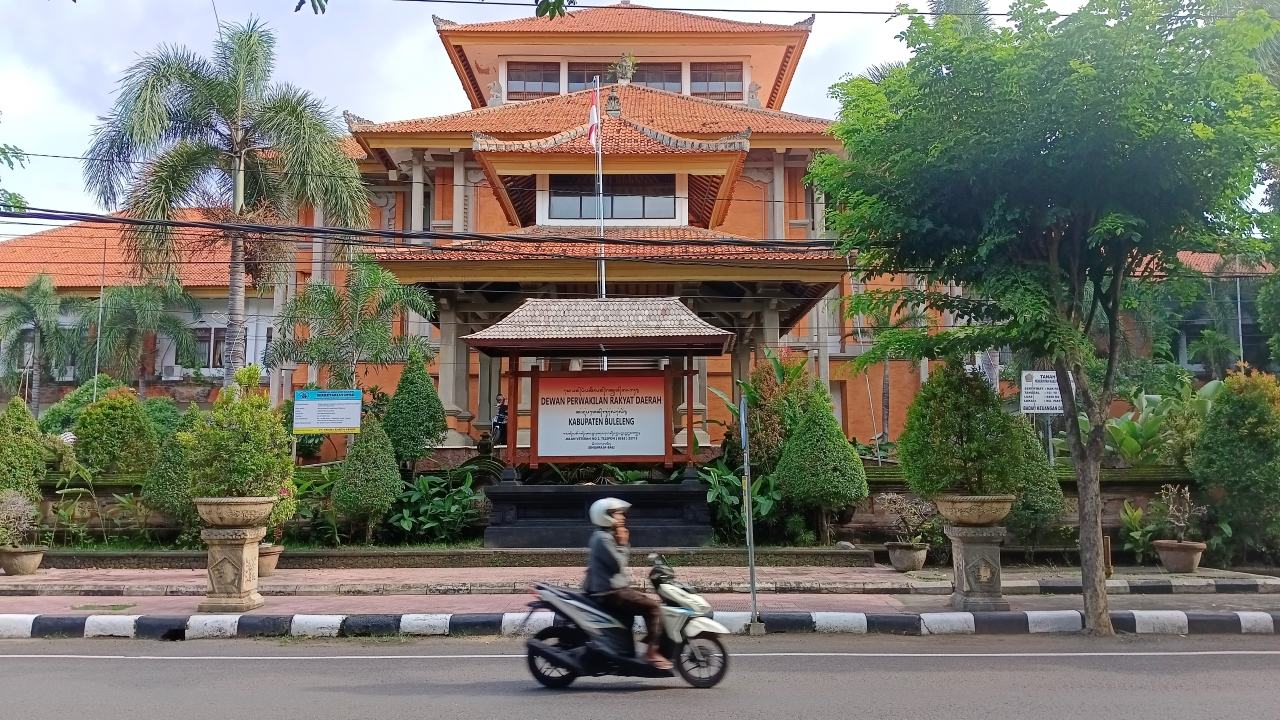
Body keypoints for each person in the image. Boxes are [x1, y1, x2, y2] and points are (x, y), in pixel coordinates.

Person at [584, 497, 672, 670]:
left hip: (611, 589)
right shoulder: (603, 538)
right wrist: (624, 544)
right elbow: (618, 563)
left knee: (636, 606)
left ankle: (627, 650)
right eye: (618, 513)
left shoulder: (604, 536)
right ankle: (652, 652)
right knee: (653, 607)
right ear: (605, 516)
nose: (622, 517)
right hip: (609, 592)